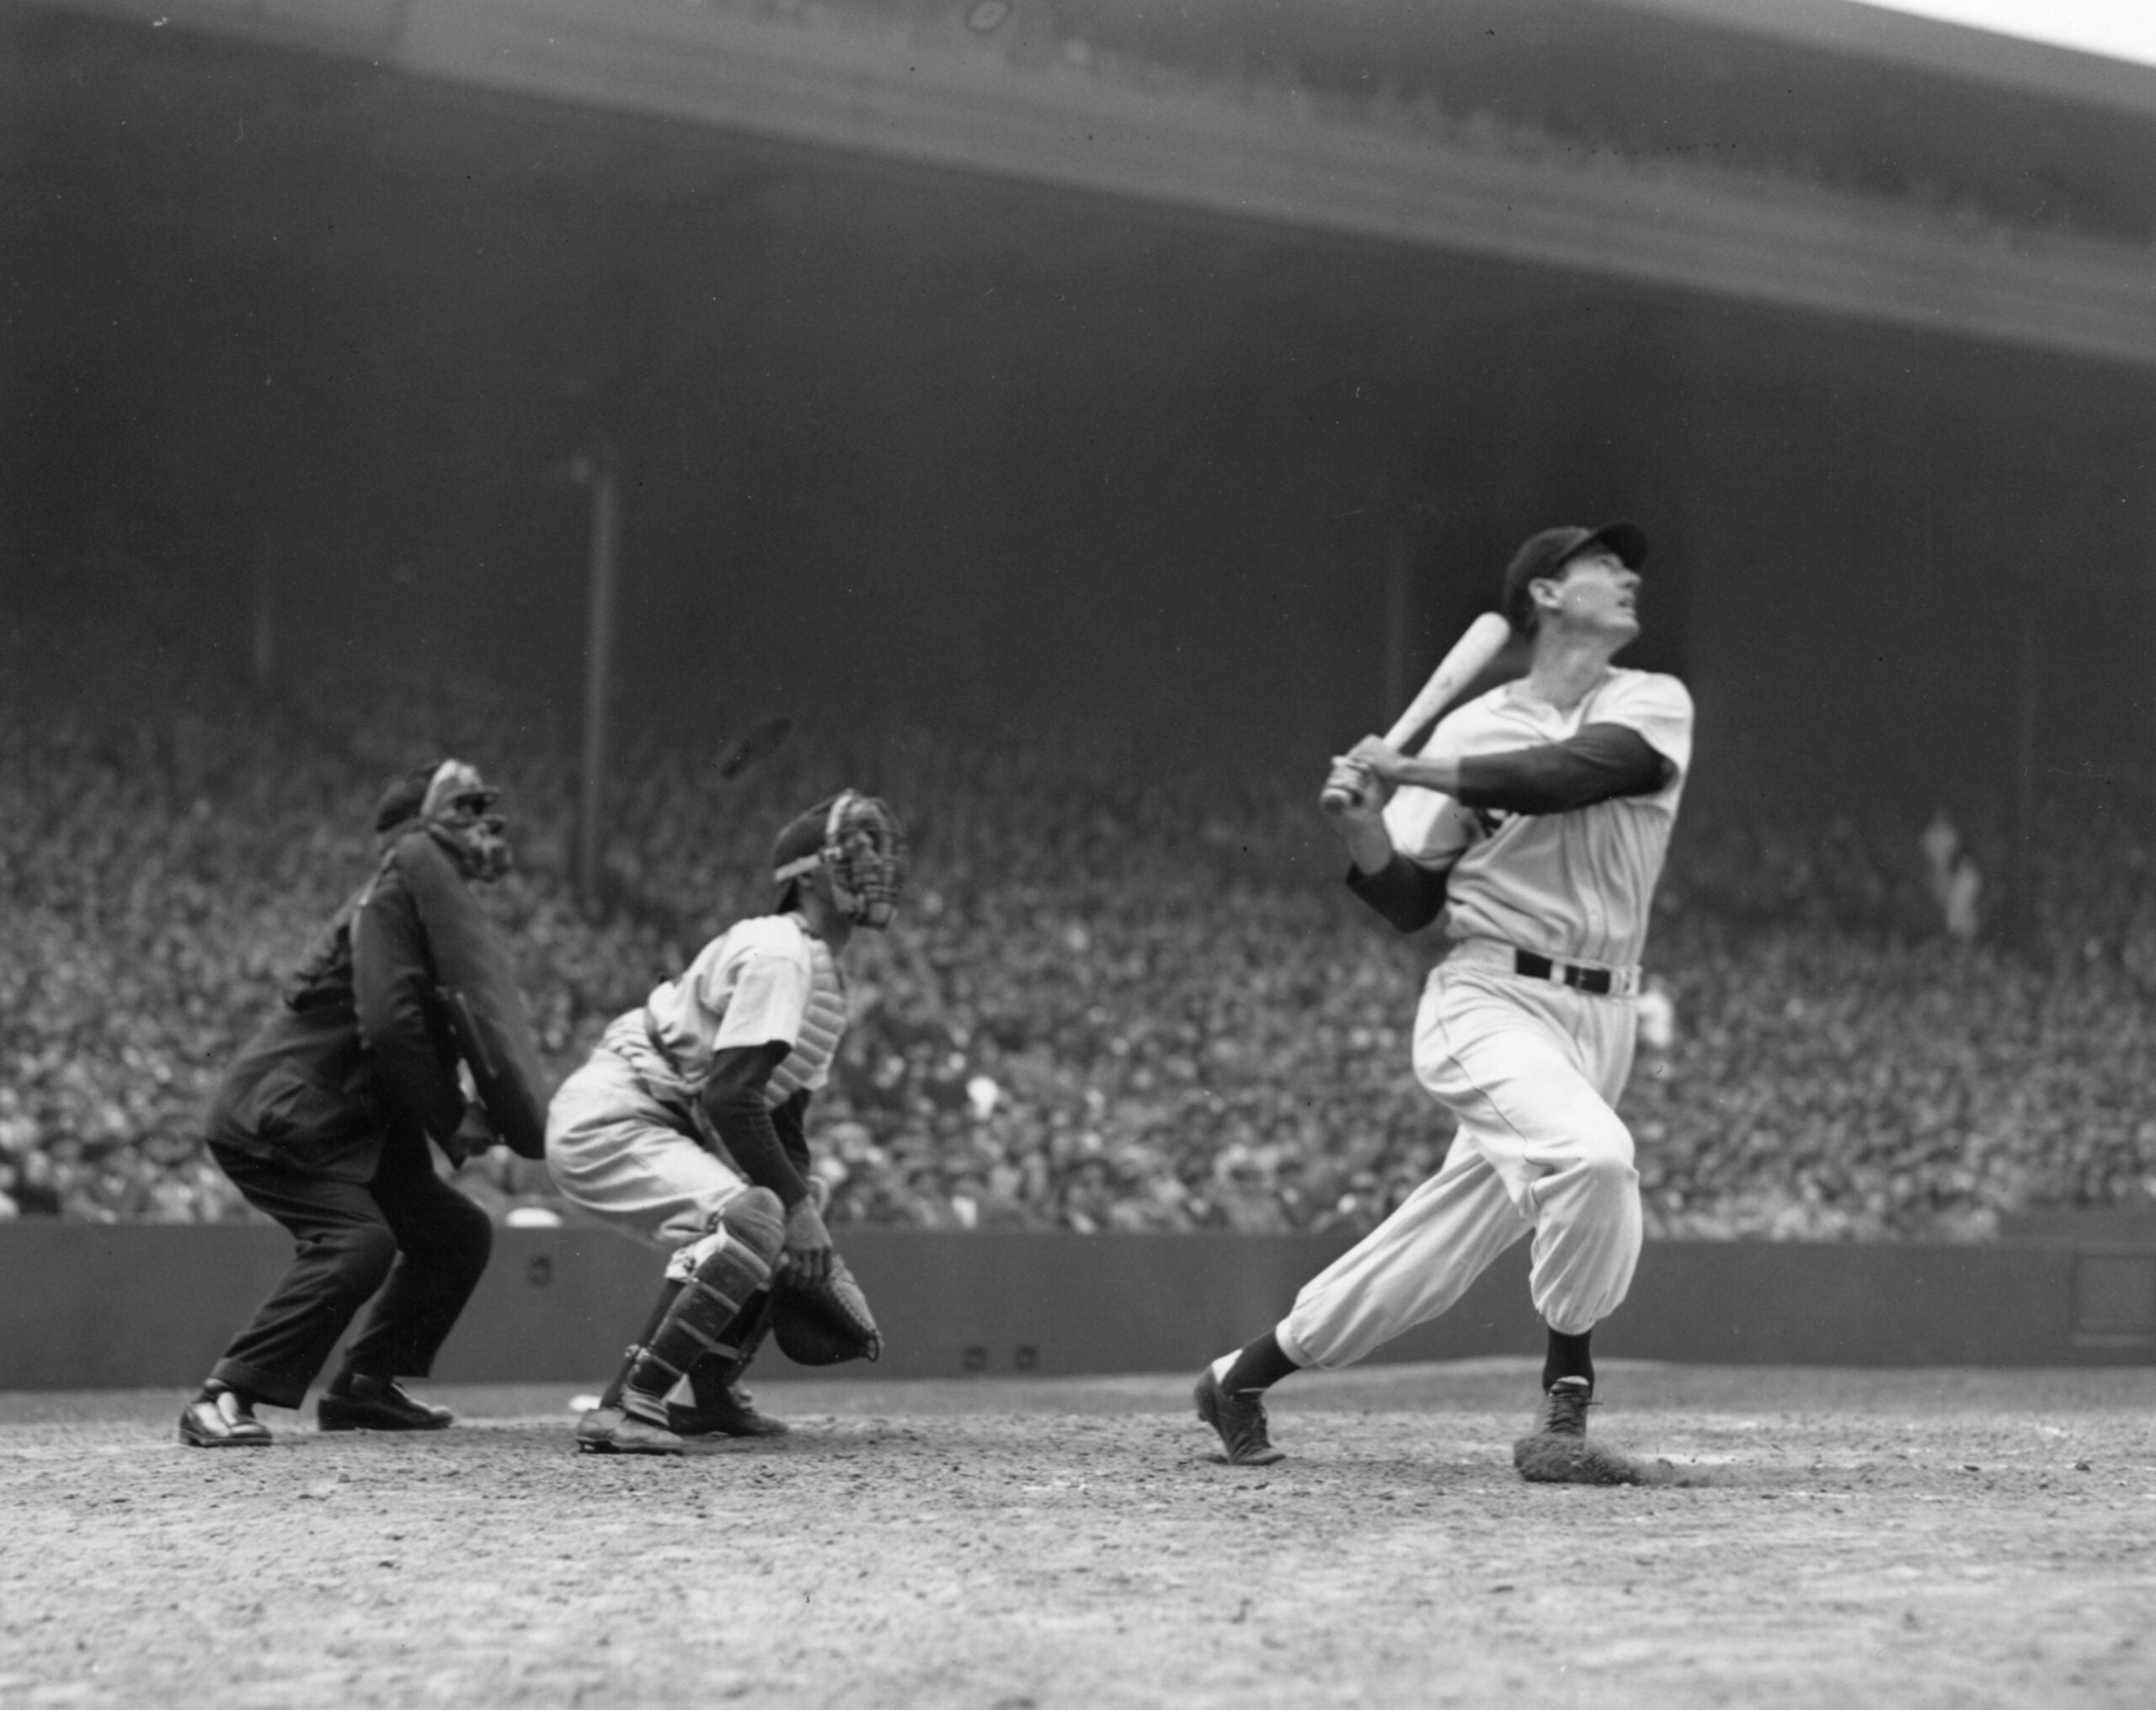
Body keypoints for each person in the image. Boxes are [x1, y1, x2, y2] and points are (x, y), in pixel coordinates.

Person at [1194, 520, 1693, 1479]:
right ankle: (1565, 1414)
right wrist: (1364, 831)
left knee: (1438, 1247)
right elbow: (1411, 900)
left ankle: (1239, 1378)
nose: (1628, 575)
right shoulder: (1471, 725)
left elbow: (1577, 774)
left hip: (1606, 1015)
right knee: (1591, 1161)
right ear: (1546, 593)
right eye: (1603, 563)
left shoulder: (1652, 701)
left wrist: (1407, 768)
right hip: (1490, 997)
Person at [180, 761, 551, 1446]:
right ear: (419, 832)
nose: (482, 829)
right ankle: (223, 1394)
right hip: (288, 1115)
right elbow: (388, 1024)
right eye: (464, 813)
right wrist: (452, 1116)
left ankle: (363, 1387)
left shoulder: (423, 907)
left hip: (356, 1122)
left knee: (455, 1233)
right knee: (358, 1242)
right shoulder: (387, 899)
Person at [547, 790, 905, 1455]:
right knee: (766, 1214)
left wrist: (811, 1231)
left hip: (659, 1116)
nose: (876, 864)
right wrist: (792, 1215)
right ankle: (626, 1402)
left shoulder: (815, 970)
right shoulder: (780, 953)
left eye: (880, 851)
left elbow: (781, 1120)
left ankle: (709, 1396)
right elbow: (730, 1099)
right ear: (806, 874)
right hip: (614, 1115)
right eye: (855, 851)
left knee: (798, 1202)